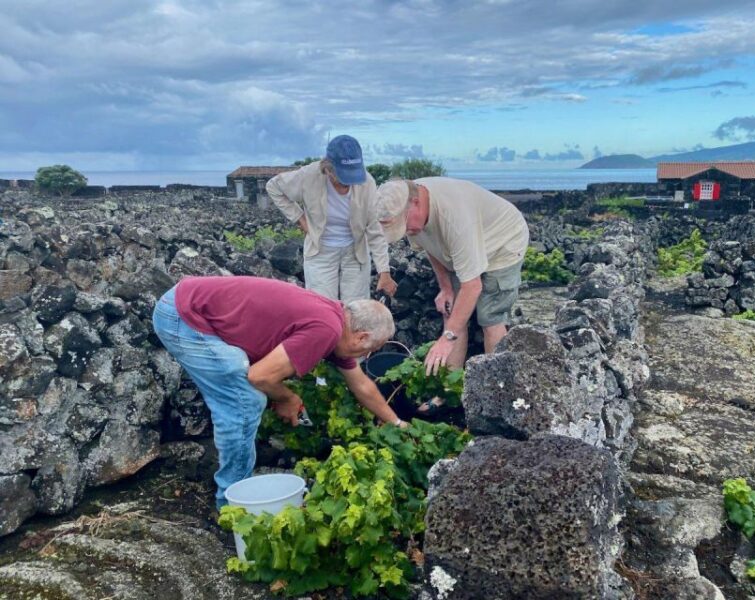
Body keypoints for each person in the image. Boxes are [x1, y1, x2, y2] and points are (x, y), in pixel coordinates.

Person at [152, 275, 406, 508]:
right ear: (361, 337)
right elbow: (259, 376)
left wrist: (396, 423)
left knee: (247, 388)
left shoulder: (337, 321)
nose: (367, 355)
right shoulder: (326, 330)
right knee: (245, 401)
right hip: (183, 317)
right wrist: (287, 398)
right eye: (370, 349)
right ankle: (231, 505)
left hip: (190, 304)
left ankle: (235, 489)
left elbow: (361, 384)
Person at [376, 177, 529, 393]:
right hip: (463, 248)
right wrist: (445, 287)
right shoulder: (407, 207)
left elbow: (472, 286)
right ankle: (450, 389)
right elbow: (431, 247)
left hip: (503, 244)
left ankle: (496, 391)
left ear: (416, 203)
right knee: (452, 312)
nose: (406, 231)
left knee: (490, 317)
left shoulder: (455, 218)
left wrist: (447, 339)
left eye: (405, 225)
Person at [267, 135, 397, 303]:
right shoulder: (308, 176)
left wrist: (384, 272)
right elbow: (274, 187)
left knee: (356, 308)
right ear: (328, 170)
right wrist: (300, 218)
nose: (348, 185)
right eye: (343, 180)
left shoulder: (367, 183)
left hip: (355, 251)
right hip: (320, 250)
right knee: (322, 306)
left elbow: (375, 229)